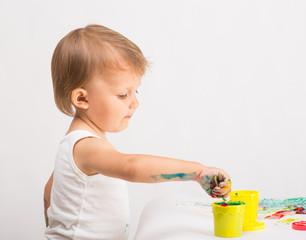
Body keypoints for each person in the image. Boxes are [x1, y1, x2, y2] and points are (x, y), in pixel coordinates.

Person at [44, 24, 231, 240]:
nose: (135, 103)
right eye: (123, 95)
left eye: (136, 91)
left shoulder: (73, 145)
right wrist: (197, 171)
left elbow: (49, 194)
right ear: (82, 99)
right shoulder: (85, 146)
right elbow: (131, 168)